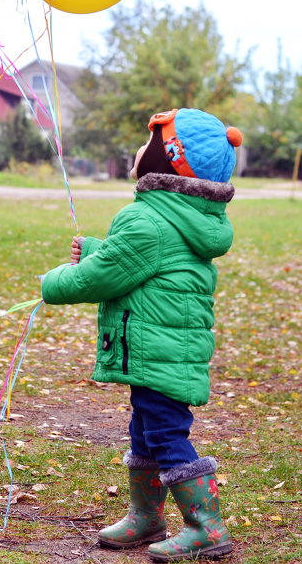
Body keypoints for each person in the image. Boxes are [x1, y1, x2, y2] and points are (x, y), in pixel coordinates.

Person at [41, 108, 243, 561]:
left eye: (148, 141)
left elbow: (102, 277)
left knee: (167, 434)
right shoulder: (181, 215)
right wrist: (96, 248)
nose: (138, 149)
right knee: (146, 430)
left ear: (165, 160)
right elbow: (141, 261)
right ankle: (146, 517)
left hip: (160, 351)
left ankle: (206, 526)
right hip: (166, 348)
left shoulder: (146, 219)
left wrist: (54, 280)